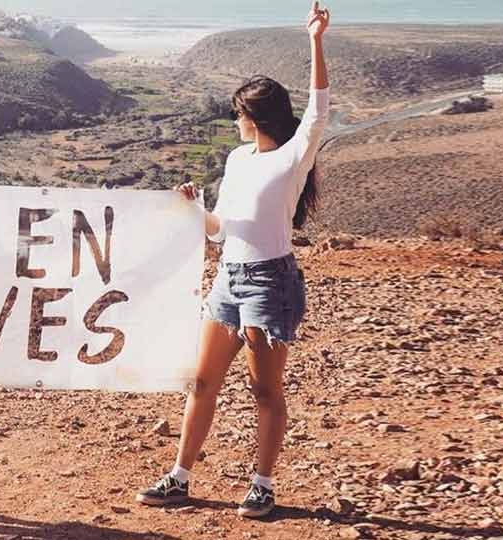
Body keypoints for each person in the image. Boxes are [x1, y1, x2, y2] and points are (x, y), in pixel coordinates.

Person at [135, 1, 332, 520]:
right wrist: (194, 209)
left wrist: (315, 40)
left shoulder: (292, 156)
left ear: (256, 116)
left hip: (270, 282)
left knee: (264, 389)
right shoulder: (237, 159)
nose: (236, 121)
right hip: (228, 279)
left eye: (239, 113)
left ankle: (262, 485)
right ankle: (179, 477)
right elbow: (221, 229)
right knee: (202, 383)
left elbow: (319, 110)